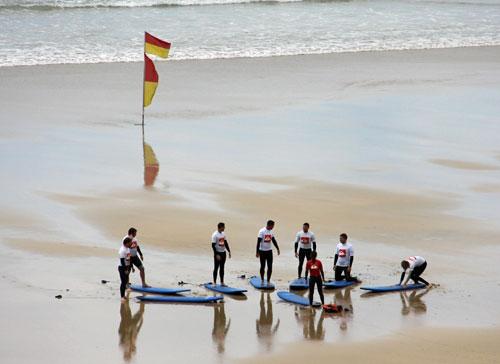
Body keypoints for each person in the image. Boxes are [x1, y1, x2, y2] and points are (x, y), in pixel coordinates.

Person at [256, 220, 280, 286]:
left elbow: (273, 240)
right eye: (273, 226)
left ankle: (268, 281)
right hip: (262, 251)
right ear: (269, 225)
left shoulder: (271, 232)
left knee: (270, 267)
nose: (273, 227)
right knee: (262, 266)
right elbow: (258, 242)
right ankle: (262, 280)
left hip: (269, 251)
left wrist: (277, 248)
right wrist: (257, 252)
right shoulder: (262, 231)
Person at [211, 222, 231, 286]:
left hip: (223, 253)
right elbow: (213, 246)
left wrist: (229, 251)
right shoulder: (215, 235)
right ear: (221, 227)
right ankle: (214, 282)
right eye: (223, 227)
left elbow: (225, 242)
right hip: (218, 253)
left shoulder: (223, 234)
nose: (224, 228)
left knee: (222, 268)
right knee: (216, 268)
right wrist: (216, 255)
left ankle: (222, 282)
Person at [119, 237, 133, 302]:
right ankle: (122, 296)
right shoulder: (122, 250)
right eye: (130, 243)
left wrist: (131, 267)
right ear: (127, 243)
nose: (131, 244)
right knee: (123, 282)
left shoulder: (127, 249)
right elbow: (122, 261)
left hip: (127, 266)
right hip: (122, 268)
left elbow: (128, 259)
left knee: (125, 281)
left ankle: (124, 296)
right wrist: (125, 270)